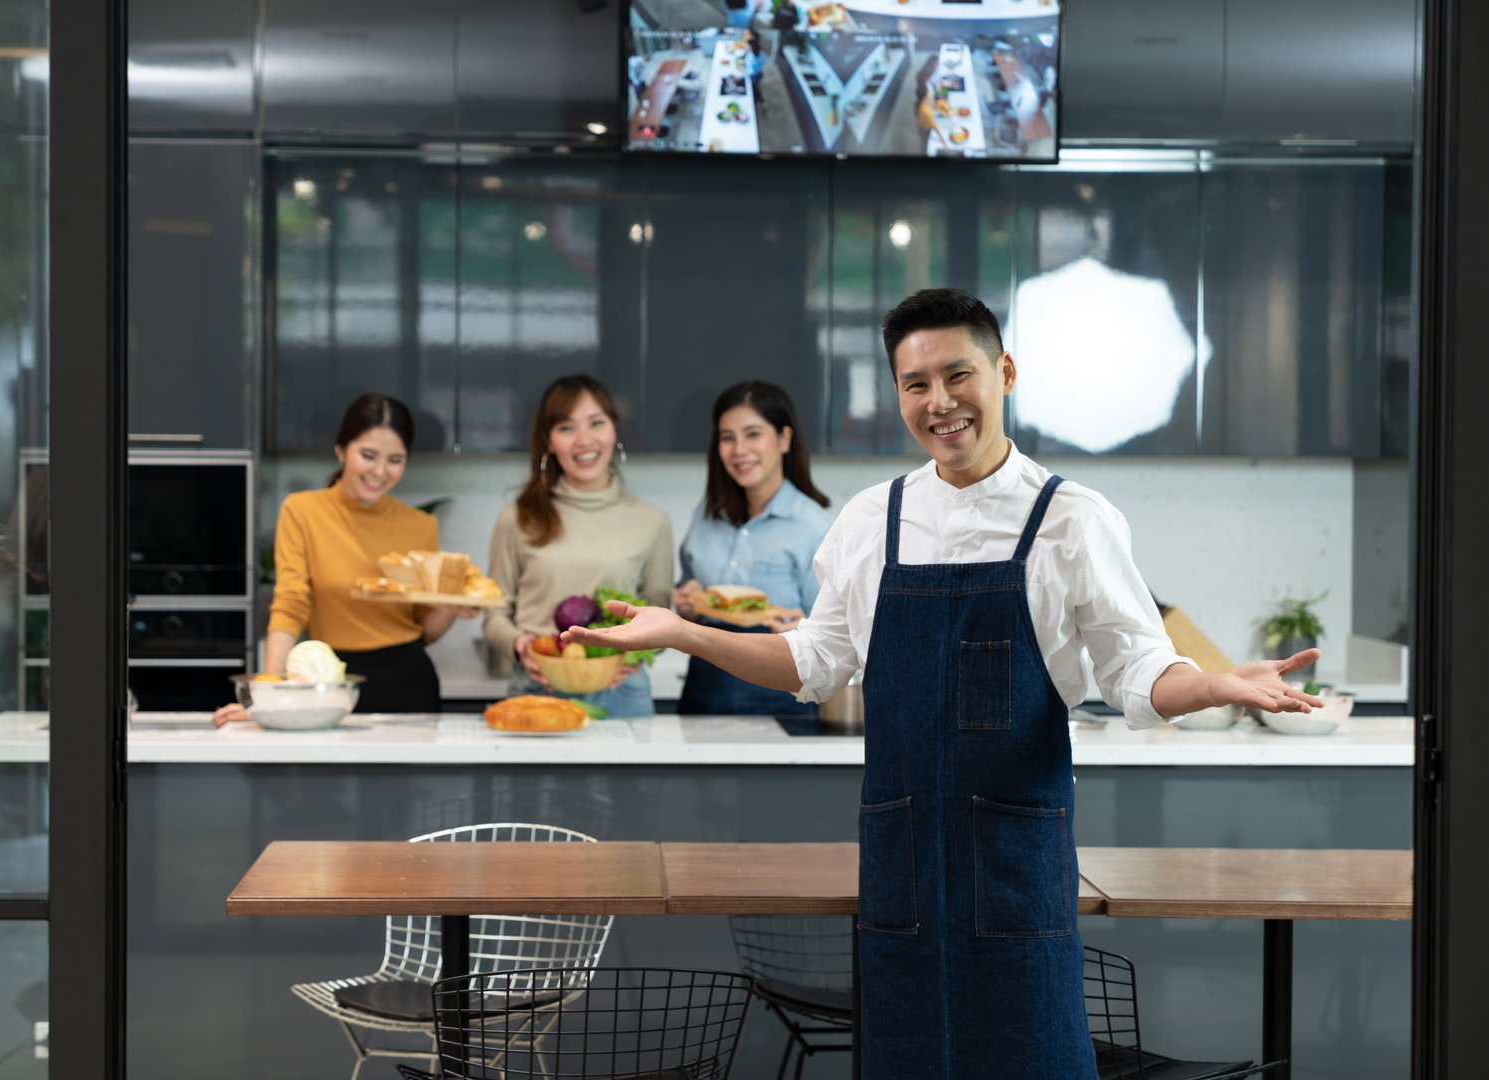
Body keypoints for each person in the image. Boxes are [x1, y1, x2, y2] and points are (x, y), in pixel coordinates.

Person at [565, 289, 1323, 1076]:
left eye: (956, 375)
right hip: (902, 874)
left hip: (1015, 866)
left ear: (1004, 372)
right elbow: (810, 662)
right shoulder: (871, 520)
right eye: (914, 383)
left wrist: (1212, 686)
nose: (938, 403)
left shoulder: (1071, 519)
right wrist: (683, 632)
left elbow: (1136, 669)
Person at [212, 394, 476, 724]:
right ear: (341, 451)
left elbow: (425, 631)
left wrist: (451, 605)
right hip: (326, 682)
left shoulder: (421, 526)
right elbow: (291, 605)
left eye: (395, 459)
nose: (380, 471)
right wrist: (268, 693)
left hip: (408, 683)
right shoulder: (302, 511)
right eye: (368, 455)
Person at [484, 375, 673, 719]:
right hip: (537, 687)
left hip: (622, 692)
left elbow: (660, 616)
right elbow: (494, 613)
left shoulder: (652, 521)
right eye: (566, 428)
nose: (584, 441)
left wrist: (637, 654)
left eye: (596, 423)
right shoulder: (517, 519)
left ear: (614, 430)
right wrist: (519, 645)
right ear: (548, 440)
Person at [673, 381, 830, 718]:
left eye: (753, 434)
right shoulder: (706, 514)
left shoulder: (813, 527)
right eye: (727, 437)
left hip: (780, 695)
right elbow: (689, 594)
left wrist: (801, 626)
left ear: (784, 439)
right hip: (704, 690)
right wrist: (688, 603)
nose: (739, 449)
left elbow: (830, 634)